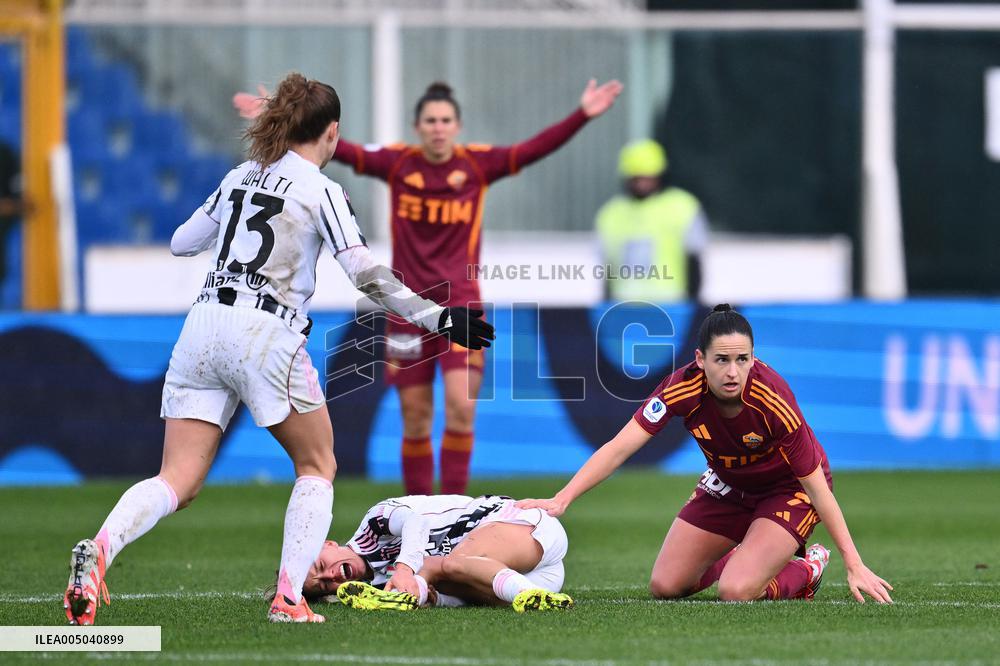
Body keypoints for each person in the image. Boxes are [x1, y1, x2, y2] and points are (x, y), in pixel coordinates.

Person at [62, 73, 494, 626]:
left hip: (204, 325)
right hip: (266, 332)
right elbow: (362, 271)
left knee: (176, 479)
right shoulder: (321, 190)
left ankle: (101, 548)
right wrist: (436, 316)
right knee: (317, 463)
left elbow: (180, 242)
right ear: (331, 132)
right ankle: (289, 597)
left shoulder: (241, 175)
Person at [235, 77, 622, 497]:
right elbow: (339, 148)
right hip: (408, 312)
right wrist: (280, 120)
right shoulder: (399, 163)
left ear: (457, 126)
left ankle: (453, 512)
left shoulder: (476, 165)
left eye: (446, 120)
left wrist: (582, 114)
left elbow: (533, 150)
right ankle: (420, 515)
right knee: (415, 417)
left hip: (463, 308)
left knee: (461, 409)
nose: (438, 127)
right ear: (418, 127)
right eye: (431, 120)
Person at [519, 304, 894, 604]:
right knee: (665, 585)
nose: (733, 372)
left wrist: (854, 562)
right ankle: (755, 555)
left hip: (788, 490)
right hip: (728, 486)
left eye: (742, 359)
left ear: (752, 357)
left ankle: (807, 568)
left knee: (735, 591)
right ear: (699, 359)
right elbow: (619, 448)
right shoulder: (682, 387)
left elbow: (817, 489)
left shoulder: (772, 400)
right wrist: (563, 498)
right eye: (722, 360)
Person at [299, 493, 572, 613]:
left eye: (321, 565)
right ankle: (536, 596)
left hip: (524, 526)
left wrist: (405, 569)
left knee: (438, 564)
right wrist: (437, 598)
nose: (330, 575)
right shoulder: (376, 584)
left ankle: (528, 595)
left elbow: (415, 522)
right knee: (433, 574)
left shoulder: (375, 522)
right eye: (324, 584)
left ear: (328, 544)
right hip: (535, 578)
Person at [595, 139, 708, 303]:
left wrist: (692, 306)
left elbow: (694, 262)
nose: (642, 183)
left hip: (671, 305)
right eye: (637, 178)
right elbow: (607, 269)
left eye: (647, 177)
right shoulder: (611, 213)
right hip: (624, 306)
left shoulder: (683, 206)